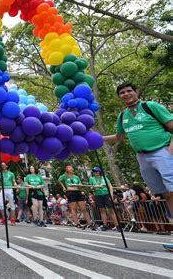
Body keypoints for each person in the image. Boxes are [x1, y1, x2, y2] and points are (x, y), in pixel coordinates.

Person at [103, 82, 173, 222]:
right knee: (166, 194)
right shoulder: (122, 116)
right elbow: (119, 137)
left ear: (136, 91)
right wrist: (92, 140)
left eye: (129, 91)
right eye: (122, 93)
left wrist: (170, 151)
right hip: (142, 157)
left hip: (162, 151)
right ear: (119, 97)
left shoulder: (151, 106)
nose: (126, 94)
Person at [58, 164, 95, 230]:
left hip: (77, 191)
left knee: (83, 208)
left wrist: (81, 185)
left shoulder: (76, 177)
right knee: (74, 208)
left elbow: (79, 184)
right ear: (67, 170)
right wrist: (63, 187)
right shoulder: (65, 176)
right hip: (70, 192)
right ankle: (77, 223)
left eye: (71, 167)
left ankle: (90, 223)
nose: (71, 168)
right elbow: (59, 180)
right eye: (69, 167)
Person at [88, 167, 119, 231]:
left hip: (106, 194)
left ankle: (117, 225)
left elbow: (110, 186)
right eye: (94, 171)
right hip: (98, 195)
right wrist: (94, 187)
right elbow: (91, 188)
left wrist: (111, 195)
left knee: (111, 210)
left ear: (99, 172)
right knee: (102, 210)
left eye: (96, 171)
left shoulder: (104, 177)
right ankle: (105, 225)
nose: (95, 173)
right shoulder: (92, 179)